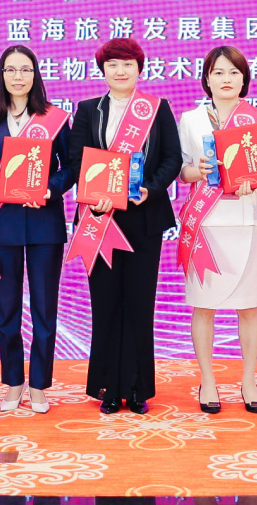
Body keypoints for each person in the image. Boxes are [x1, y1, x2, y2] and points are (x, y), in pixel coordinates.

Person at [66, 38, 180, 415]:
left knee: (139, 304)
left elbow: (172, 159)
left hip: (143, 217)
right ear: (103, 70)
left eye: (128, 64)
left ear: (139, 69)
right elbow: (78, 159)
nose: (120, 71)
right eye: (113, 64)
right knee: (106, 303)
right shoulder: (88, 110)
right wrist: (94, 194)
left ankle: (137, 387)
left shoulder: (157, 108)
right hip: (100, 218)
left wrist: (151, 189)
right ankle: (108, 388)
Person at [177, 46, 257, 414]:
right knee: (204, 306)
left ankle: (249, 379)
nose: (226, 79)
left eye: (234, 72)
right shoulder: (191, 119)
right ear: (207, 78)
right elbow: (182, 171)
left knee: (248, 306)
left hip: (247, 220)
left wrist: (255, 181)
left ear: (244, 79)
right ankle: (207, 379)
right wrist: (198, 171)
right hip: (205, 223)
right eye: (218, 72)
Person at [0, 45, 74, 414]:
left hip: (45, 224)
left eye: (25, 69)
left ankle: (38, 384)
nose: (18, 76)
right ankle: (14, 381)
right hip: (3, 225)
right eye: (10, 70)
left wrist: (50, 189)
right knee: (6, 309)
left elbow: (71, 167)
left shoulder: (54, 118)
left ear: (36, 75)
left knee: (44, 309)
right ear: (1, 76)